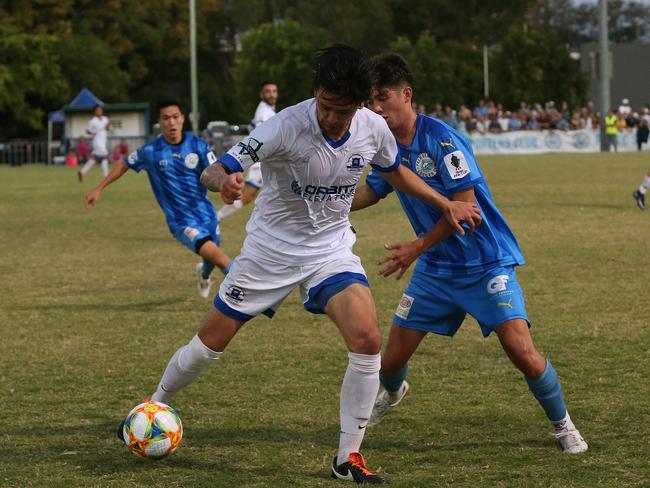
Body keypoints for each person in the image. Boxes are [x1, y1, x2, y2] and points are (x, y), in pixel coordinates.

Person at [125, 46, 481, 485]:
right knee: (208, 346)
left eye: (345, 112)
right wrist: (226, 182)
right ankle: (154, 405)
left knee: (368, 338)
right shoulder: (283, 126)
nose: (335, 119)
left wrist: (445, 202)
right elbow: (214, 170)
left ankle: (347, 458)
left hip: (329, 250)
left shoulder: (371, 127)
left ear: (361, 104)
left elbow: (395, 172)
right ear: (316, 94)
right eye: (328, 108)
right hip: (270, 252)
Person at [351, 53, 588, 455]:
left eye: (383, 98)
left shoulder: (442, 140)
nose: (375, 108)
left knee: (520, 351)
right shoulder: (385, 146)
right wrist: (331, 201)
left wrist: (417, 247)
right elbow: (374, 189)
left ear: (406, 95)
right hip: (436, 270)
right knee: (389, 363)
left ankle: (562, 424)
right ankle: (392, 395)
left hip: (484, 264)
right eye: (369, 100)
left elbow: (466, 209)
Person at [85, 99, 231, 298]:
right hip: (181, 221)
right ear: (159, 122)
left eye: (175, 117)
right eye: (166, 118)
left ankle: (203, 275)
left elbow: (216, 171)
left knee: (212, 256)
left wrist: (225, 185)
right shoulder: (150, 152)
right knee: (221, 259)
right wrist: (98, 188)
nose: (171, 123)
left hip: (207, 214)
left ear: (182, 120)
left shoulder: (198, 145)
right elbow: (124, 164)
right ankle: (250, 294)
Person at [218, 81, 278, 220]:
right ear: (262, 94)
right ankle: (215, 219)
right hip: (262, 161)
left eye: (274, 91)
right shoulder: (264, 113)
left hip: (265, 160)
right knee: (246, 197)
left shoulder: (267, 110)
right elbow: (263, 136)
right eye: (268, 91)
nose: (272, 94)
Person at [78, 104, 111, 181]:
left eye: (100, 110)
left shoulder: (105, 119)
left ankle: (82, 172)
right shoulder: (92, 121)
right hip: (97, 141)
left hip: (103, 141)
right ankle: (106, 176)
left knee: (94, 158)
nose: (99, 111)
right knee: (105, 157)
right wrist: (91, 132)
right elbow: (88, 130)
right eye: (98, 110)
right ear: (95, 111)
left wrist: (108, 127)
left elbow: (108, 128)